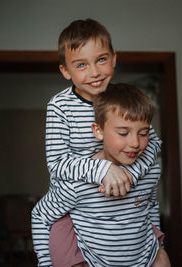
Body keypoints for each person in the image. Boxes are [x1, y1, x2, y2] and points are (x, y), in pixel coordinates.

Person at [31, 19, 162, 266]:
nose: (94, 72)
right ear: (65, 71)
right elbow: (58, 164)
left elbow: (152, 144)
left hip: (122, 203)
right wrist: (103, 169)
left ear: (114, 59)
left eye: (101, 60)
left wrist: (127, 174)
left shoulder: (123, 101)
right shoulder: (60, 106)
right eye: (81, 65)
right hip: (72, 202)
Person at [35, 84, 171, 266]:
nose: (135, 143)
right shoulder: (78, 183)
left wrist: (159, 247)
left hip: (146, 259)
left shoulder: (151, 172)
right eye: (123, 133)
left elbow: (151, 206)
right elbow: (41, 216)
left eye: (144, 133)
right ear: (98, 131)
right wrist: (45, 263)